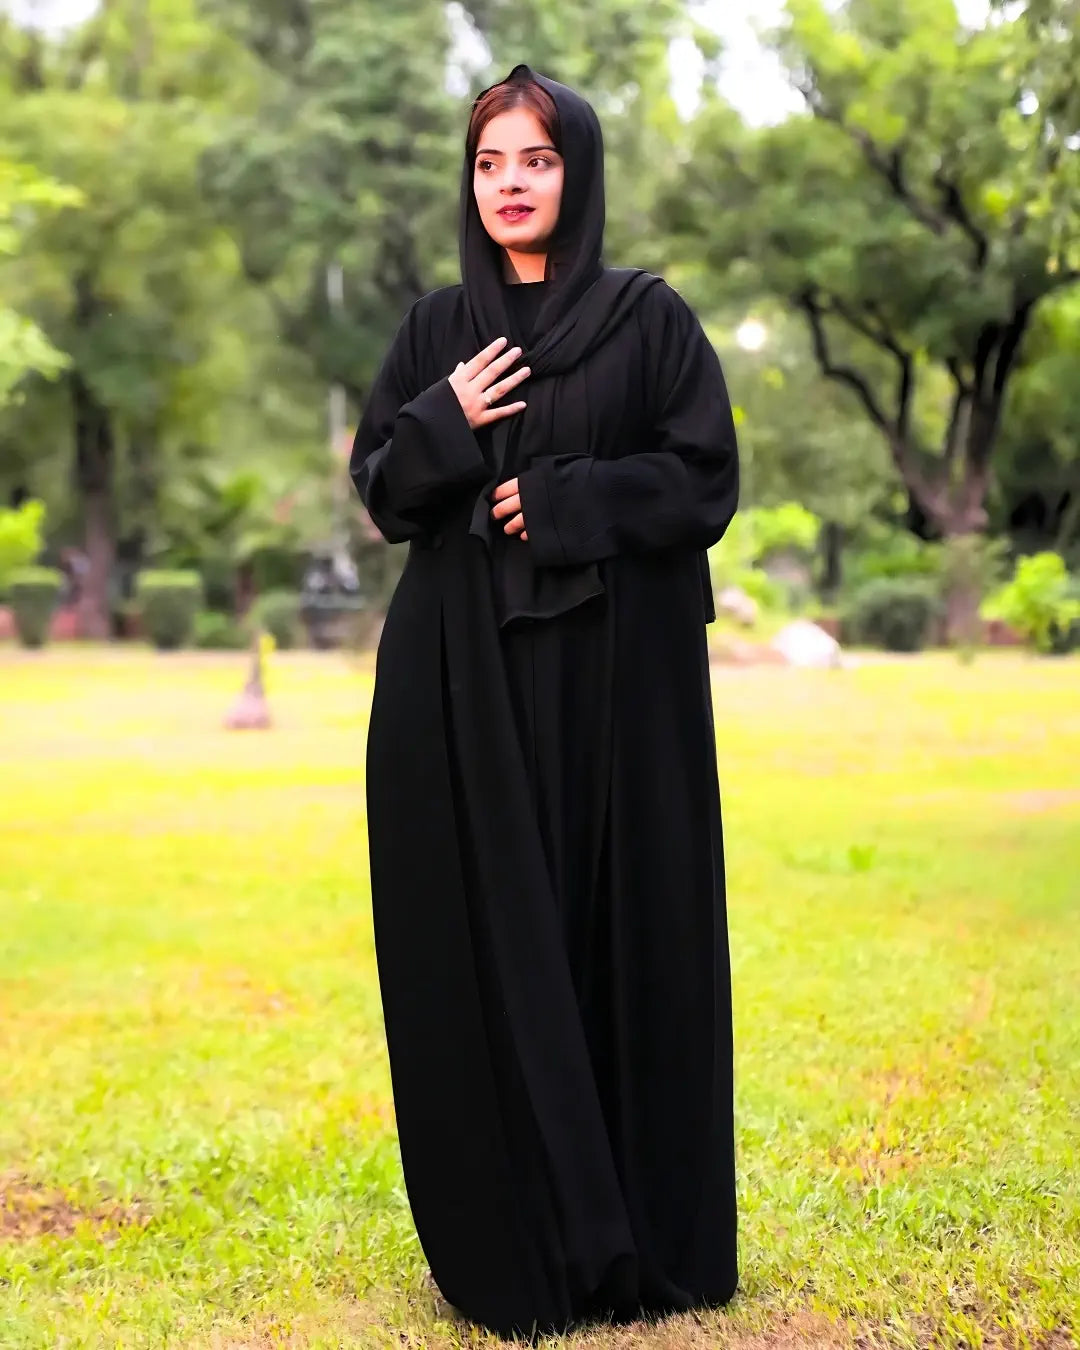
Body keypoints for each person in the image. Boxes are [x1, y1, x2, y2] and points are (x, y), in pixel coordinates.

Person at [349, 63, 740, 1338]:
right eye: (489, 164)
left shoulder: (648, 323)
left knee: (620, 932)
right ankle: (518, 1237)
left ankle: (639, 1233)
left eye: (536, 159)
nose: (510, 184)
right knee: (479, 944)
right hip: (463, 689)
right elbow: (385, 493)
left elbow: (700, 481)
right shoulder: (434, 331)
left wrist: (571, 501)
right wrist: (446, 417)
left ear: (578, 171)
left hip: (618, 693)